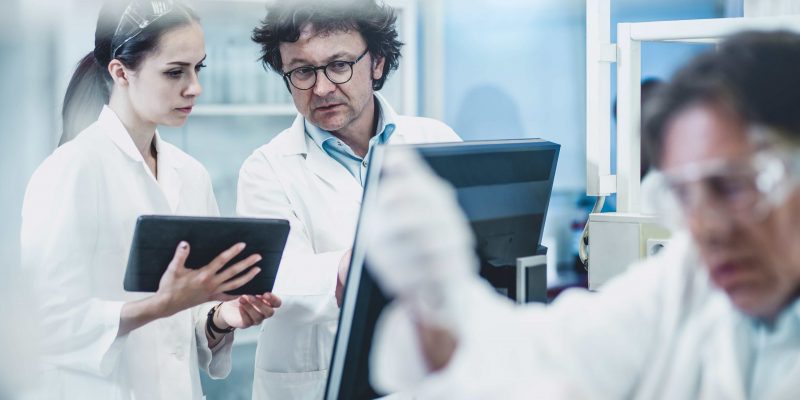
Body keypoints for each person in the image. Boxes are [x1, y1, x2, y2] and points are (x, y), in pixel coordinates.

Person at [363, 31, 800, 399]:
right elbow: (547, 356)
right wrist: (440, 295)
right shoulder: (685, 281)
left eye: (736, 186)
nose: (707, 228)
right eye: (685, 197)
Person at [20, 1, 280, 398]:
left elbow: (185, 327)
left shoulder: (190, 175)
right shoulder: (71, 169)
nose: (195, 87)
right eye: (175, 72)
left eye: (198, 68)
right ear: (121, 73)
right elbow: (46, 322)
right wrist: (160, 305)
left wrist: (223, 317)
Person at [237, 0, 460, 398]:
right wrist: (352, 264)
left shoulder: (436, 142)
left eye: (339, 65)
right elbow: (278, 279)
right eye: (302, 71)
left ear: (376, 62)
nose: (321, 89)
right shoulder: (266, 169)